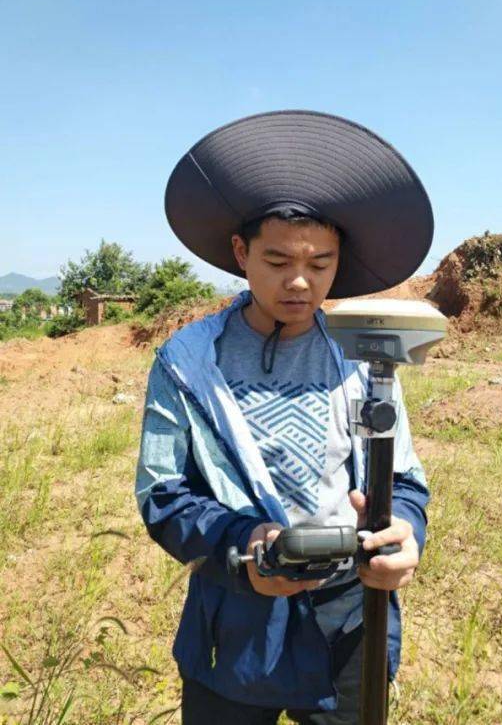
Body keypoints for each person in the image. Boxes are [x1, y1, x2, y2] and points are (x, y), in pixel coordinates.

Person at [136, 112, 432, 724]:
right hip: (236, 622)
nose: (300, 282)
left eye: (321, 263)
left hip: (348, 621)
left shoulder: (362, 356)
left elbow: (403, 480)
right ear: (241, 253)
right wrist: (247, 546)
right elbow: (163, 494)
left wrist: (403, 530)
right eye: (276, 261)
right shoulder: (188, 362)